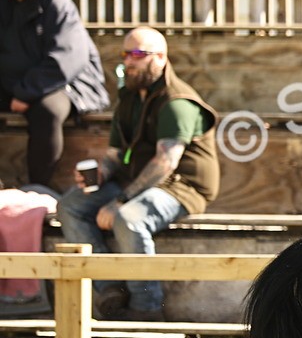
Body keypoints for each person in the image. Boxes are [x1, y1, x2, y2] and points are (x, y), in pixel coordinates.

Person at [57, 27, 219, 321]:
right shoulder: (129, 98)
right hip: (136, 179)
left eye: (138, 55)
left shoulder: (177, 102)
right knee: (70, 205)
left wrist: (119, 201)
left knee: (130, 219)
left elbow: (165, 162)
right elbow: (114, 156)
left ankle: (147, 309)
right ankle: (110, 287)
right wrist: (100, 176)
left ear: (160, 58)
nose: (129, 62)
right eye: (125, 54)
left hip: (182, 185)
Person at [0, 0, 109, 189]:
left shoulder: (54, 2)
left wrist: (25, 92)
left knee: (47, 111)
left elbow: (68, 58)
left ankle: (38, 188)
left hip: (66, 84)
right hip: (15, 84)